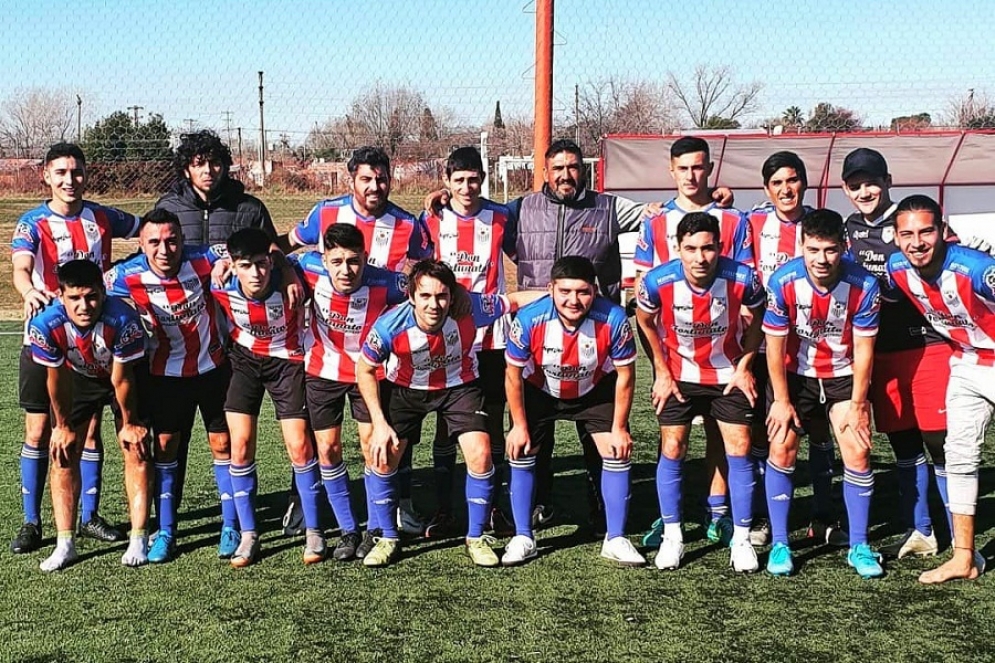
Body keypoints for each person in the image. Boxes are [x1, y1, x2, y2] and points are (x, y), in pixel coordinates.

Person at [282, 145, 433, 535]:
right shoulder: (325, 211)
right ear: (351, 178)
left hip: (382, 357)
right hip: (327, 354)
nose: (374, 186)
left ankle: (398, 506)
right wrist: (280, 272)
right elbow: (287, 246)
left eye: (381, 178)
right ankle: (304, 503)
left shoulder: (406, 225)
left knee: (388, 436)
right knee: (319, 439)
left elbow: (422, 274)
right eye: (366, 178)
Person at [357, 260, 538, 567]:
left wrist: (557, 294)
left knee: (481, 455)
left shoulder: (472, 309)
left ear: (452, 296)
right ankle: (387, 537)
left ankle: (476, 537)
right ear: (412, 297)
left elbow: (516, 300)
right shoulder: (390, 325)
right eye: (425, 296)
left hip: (460, 388)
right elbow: (364, 369)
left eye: (441, 296)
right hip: (406, 390)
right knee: (383, 455)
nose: (434, 304)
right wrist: (379, 422)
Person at [11, 142, 139, 554]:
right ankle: (32, 521)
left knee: (89, 431)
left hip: (95, 340)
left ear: (86, 174)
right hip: (46, 338)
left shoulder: (103, 217)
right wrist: (30, 290)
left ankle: (89, 516)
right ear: (46, 175)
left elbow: (149, 227)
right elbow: (21, 268)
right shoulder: (32, 222)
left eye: (77, 172)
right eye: (61, 172)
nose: (70, 180)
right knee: (39, 429)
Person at [634, 136, 753, 549]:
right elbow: (643, 297)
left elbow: (745, 283)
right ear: (671, 171)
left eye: (698, 167)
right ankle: (670, 521)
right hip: (676, 352)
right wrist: (660, 368)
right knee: (674, 440)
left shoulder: (735, 220)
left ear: (710, 168)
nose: (691, 175)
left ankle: (718, 513)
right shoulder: (654, 221)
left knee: (727, 437)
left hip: (726, 349)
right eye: (683, 168)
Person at [105, 208, 234, 563]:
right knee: (164, 447)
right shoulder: (125, 275)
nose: (165, 249)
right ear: (142, 245)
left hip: (213, 369)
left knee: (223, 444)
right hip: (164, 376)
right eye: (155, 242)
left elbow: (261, 252)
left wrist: (234, 265)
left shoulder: (206, 258)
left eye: (172, 240)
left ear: (182, 240)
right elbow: (83, 291)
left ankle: (231, 525)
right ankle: (167, 531)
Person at [841, 148, 950, 559]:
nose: (865, 191)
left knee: (939, 443)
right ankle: (921, 529)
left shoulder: (911, 220)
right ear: (846, 190)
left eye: (871, 182)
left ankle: (958, 531)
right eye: (856, 185)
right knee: (904, 446)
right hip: (880, 351)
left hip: (928, 346)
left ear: (888, 181)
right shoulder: (848, 229)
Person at [763, 209, 883, 578]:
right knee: (782, 446)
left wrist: (860, 405)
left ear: (843, 248)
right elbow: (773, 346)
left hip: (843, 374)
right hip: (796, 374)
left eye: (830, 250)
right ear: (802, 247)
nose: (821, 259)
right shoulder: (783, 280)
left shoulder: (864, 284)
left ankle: (859, 545)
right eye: (813, 249)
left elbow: (864, 351)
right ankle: (781, 543)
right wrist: (781, 401)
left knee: (858, 450)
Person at [503, 256, 644, 567]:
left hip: (594, 391)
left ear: (594, 291)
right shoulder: (529, 319)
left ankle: (616, 537)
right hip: (540, 390)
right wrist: (518, 425)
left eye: (582, 292)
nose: (573, 300)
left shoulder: (615, 319)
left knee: (617, 451)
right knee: (522, 449)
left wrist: (620, 427)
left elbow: (626, 376)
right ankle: (523, 536)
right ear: (551, 289)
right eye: (565, 291)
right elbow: (512, 375)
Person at [885, 194, 992, 584]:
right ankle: (964, 557)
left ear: (943, 231)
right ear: (895, 238)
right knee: (958, 454)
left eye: (926, 231)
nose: (917, 242)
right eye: (907, 233)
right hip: (966, 361)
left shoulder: (976, 268)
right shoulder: (896, 267)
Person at [293, 223, 410, 561]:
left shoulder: (388, 282)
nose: (346, 270)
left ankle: (375, 528)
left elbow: (422, 290)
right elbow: (276, 259)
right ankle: (348, 530)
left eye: (354, 261)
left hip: (369, 374)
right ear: (324, 259)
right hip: (322, 372)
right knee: (327, 449)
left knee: (372, 448)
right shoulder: (307, 268)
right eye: (338, 261)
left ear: (366, 258)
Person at [746, 151, 843, 549]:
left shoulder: (822, 227)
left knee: (821, 432)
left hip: (817, 350)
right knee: (765, 433)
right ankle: (763, 517)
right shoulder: (751, 222)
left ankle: (824, 514)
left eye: (793, 180)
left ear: (804, 182)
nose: (786, 189)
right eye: (777, 182)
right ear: (766, 189)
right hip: (764, 346)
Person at [28, 260, 150, 571]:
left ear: (103, 292)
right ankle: (65, 543)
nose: (84, 306)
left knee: (135, 448)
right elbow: (55, 380)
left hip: (125, 377)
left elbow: (122, 380)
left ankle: (138, 537)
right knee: (63, 452)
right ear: (60, 296)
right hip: (78, 377)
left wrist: (131, 423)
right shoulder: (45, 325)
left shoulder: (123, 320)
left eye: (92, 297)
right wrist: (63, 426)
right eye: (75, 298)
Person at [210, 228, 323, 567]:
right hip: (244, 362)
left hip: (288, 362)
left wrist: (286, 267)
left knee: (300, 446)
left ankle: (314, 530)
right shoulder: (219, 281)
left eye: (262, 264)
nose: (256, 273)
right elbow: (182, 261)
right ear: (232, 265)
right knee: (240, 446)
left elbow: (327, 262)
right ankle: (248, 534)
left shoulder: (295, 275)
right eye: (246, 265)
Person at [420, 146, 516, 538]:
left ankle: (494, 509)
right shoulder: (432, 218)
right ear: (446, 182)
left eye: (473, 179)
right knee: (446, 423)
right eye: (458, 180)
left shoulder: (501, 217)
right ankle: (445, 509)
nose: (466, 187)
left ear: (483, 178)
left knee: (491, 421)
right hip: (448, 337)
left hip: (492, 337)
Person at [155, 129, 277, 244]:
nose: (208, 170)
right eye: (199, 164)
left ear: (225, 167)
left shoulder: (251, 209)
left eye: (215, 163)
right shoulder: (167, 208)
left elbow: (270, 253)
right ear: (186, 170)